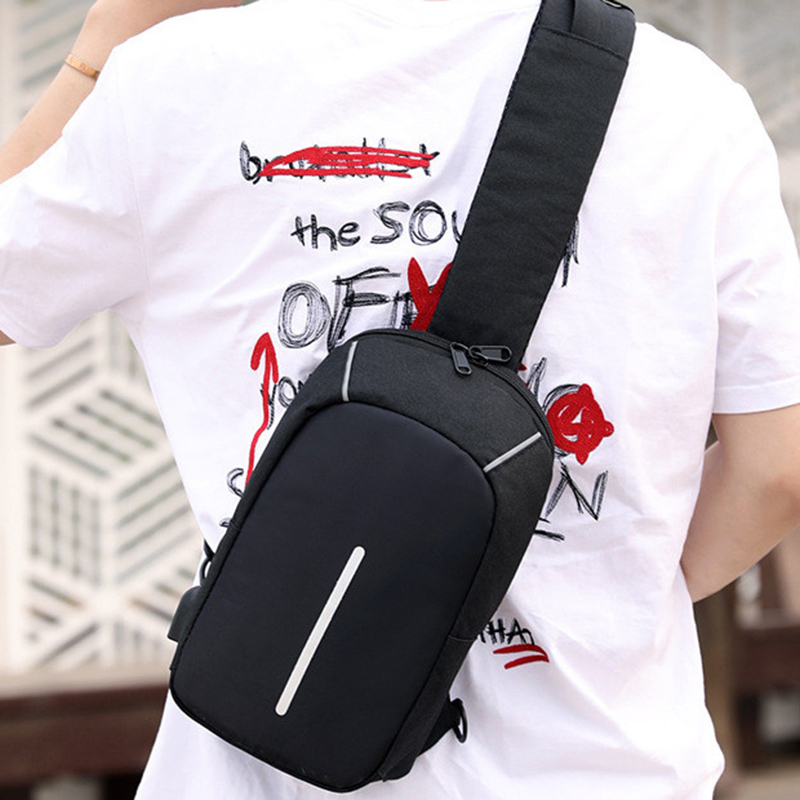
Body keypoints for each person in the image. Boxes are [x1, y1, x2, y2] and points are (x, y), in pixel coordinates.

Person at [2, 0, 800, 797]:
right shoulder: (689, 104)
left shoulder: (174, 83)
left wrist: (103, 43)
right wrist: (614, 594)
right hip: (602, 770)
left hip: (271, 760)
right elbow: (776, 470)